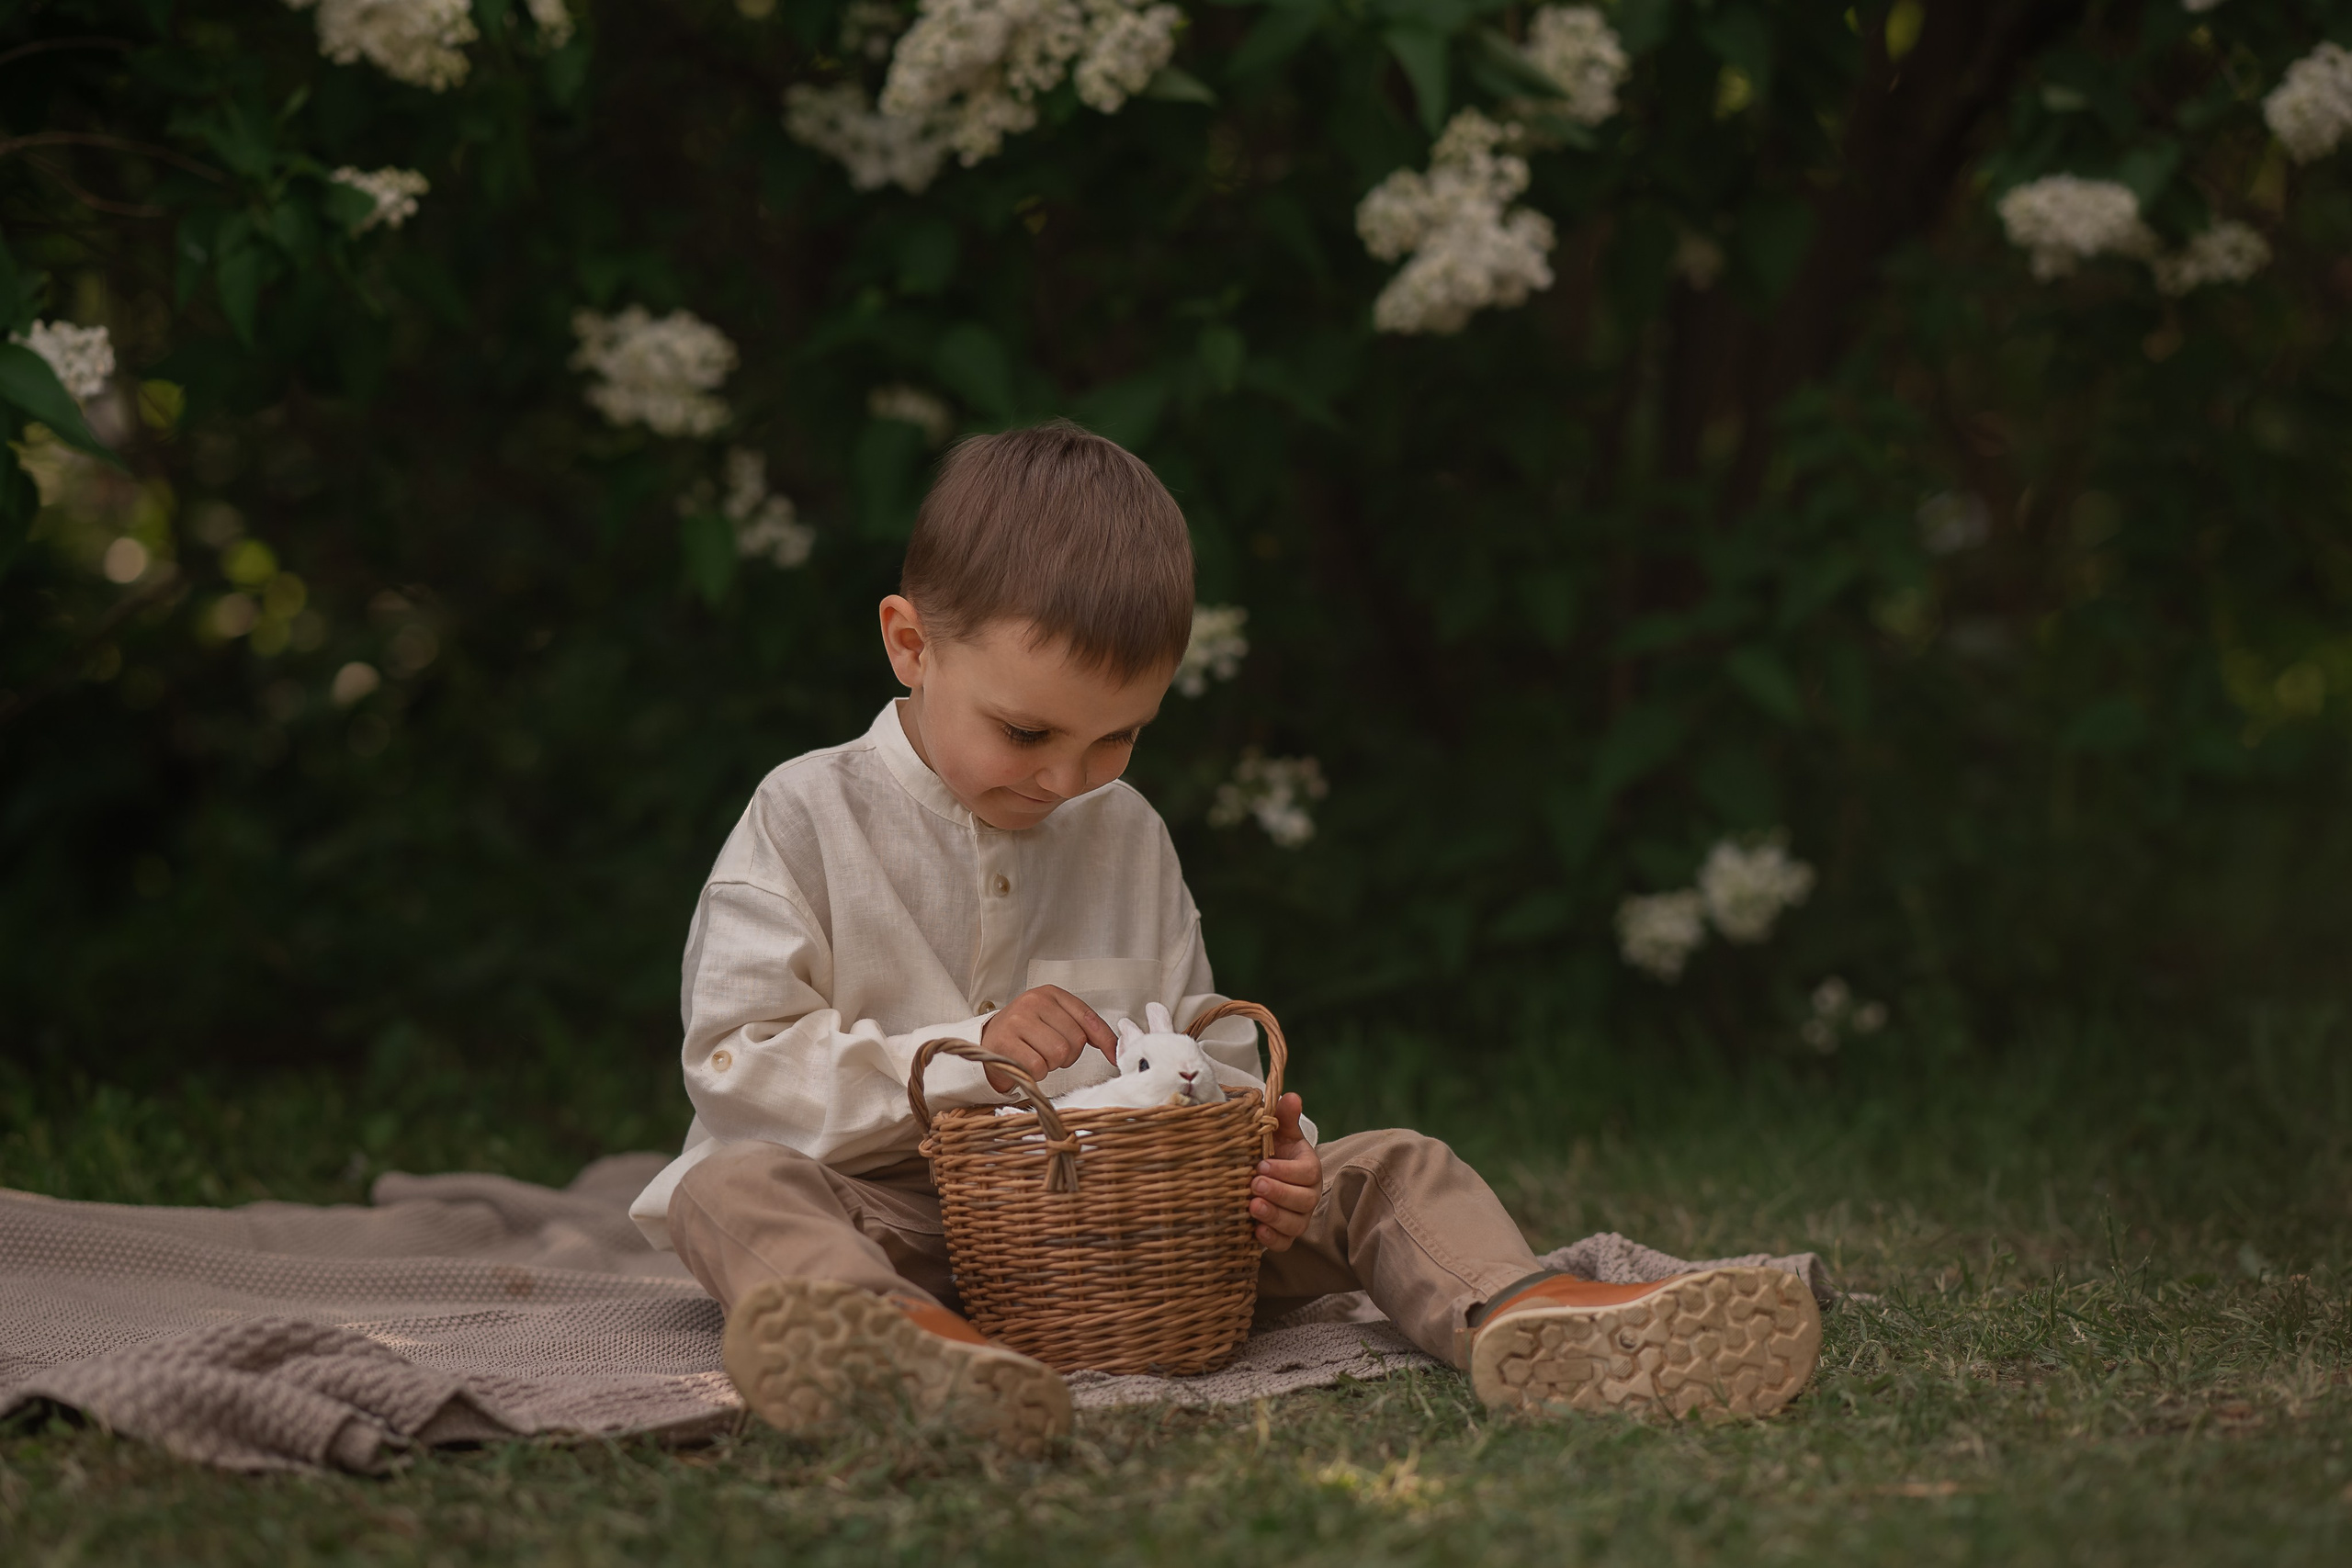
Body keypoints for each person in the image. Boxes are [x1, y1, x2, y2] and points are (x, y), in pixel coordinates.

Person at [628, 422, 1820, 1452]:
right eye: (1026, 731)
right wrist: (964, 1054)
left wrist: (1267, 1162)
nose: (1067, 779)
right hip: (899, 1227)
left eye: (1117, 739)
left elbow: (1201, 1052)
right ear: (910, 644)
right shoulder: (806, 811)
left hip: (1134, 1242)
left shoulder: (1125, 834)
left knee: (1386, 1163)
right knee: (730, 1190)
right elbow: (735, 1066)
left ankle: (1529, 1317)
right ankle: (899, 1351)